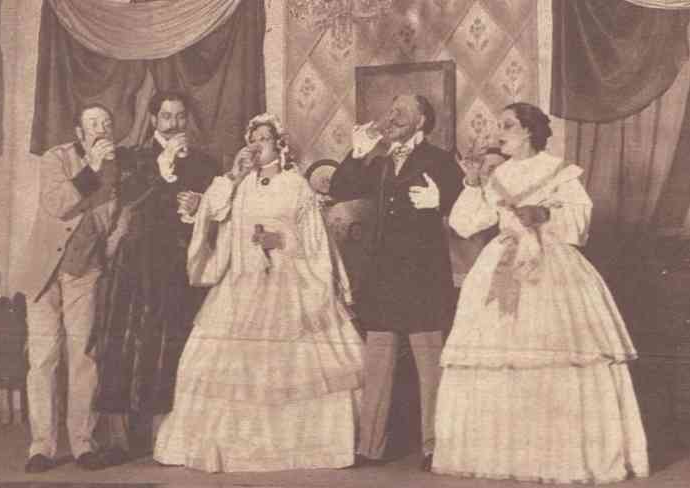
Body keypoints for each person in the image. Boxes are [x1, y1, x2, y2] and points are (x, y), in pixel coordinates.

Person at [432, 102, 649, 483]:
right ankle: (504, 456)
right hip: (501, 265)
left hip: (551, 264)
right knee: (498, 355)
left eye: (507, 125)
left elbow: (580, 221)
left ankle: (556, 457)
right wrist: (473, 183)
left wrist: (546, 215)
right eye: (499, 125)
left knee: (555, 352)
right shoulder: (497, 174)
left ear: (529, 131)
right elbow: (466, 224)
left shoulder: (558, 170)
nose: (498, 133)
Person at [152, 113, 364, 472]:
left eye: (264, 139)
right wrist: (232, 177)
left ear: (279, 145)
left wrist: (279, 240)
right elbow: (213, 210)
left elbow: (314, 241)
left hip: (287, 281)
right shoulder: (240, 184)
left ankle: (295, 447)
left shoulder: (296, 186)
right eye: (251, 139)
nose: (256, 145)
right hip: (242, 280)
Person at [328, 94, 463, 470]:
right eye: (391, 110)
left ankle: (434, 448)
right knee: (377, 367)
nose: (393, 115)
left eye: (403, 110)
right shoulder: (380, 161)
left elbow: (464, 204)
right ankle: (370, 447)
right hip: (383, 280)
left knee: (430, 368)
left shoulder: (440, 160)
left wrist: (441, 201)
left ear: (422, 120)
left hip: (423, 279)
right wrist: (357, 154)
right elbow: (340, 190)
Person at [93, 91, 219, 461]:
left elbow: (217, 211)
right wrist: (161, 168)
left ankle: (168, 437)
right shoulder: (132, 157)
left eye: (180, 116)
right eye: (166, 116)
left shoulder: (204, 162)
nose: (174, 123)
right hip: (137, 266)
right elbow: (126, 196)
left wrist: (199, 206)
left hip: (181, 266)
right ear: (152, 120)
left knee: (175, 345)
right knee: (130, 346)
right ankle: (123, 440)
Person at [18, 104, 135, 473]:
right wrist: (92, 170)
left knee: (83, 358)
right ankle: (42, 447)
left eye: (107, 123)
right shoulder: (56, 158)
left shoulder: (119, 167)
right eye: (93, 123)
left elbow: (115, 218)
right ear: (80, 133)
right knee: (43, 359)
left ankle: (83, 443)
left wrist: (109, 246)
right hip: (44, 272)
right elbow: (57, 204)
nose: (102, 129)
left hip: (84, 271)